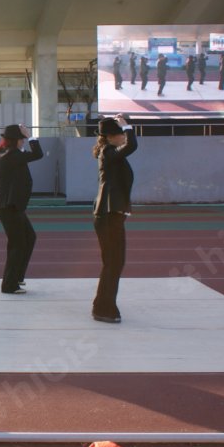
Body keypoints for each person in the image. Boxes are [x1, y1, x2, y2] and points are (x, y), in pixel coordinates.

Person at [91, 115, 137, 324]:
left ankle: (103, 305)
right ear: (111, 137)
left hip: (111, 214)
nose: (124, 137)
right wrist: (127, 125)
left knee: (114, 262)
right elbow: (131, 146)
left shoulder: (110, 153)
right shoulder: (108, 152)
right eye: (121, 134)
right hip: (108, 215)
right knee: (113, 262)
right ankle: (103, 308)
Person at [0, 124, 43, 294]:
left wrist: (24, 137)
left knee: (29, 237)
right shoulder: (12, 155)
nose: (23, 142)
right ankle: (9, 284)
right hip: (9, 206)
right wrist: (31, 136)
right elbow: (38, 154)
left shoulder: (2, 152)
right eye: (22, 140)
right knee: (17, 244)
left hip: (12, 205)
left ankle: (17, 277)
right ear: (16, 141)